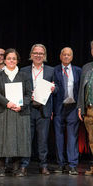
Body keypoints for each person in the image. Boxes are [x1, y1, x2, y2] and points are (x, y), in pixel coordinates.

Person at [0, 48, 32, 177]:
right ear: (5, 60)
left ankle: (16, 168)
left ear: (17, 60)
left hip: (19, 111)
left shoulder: (24, 75)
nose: (11, 61)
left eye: (14, 58)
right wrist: (7, 102)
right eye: (9, 58)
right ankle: (1, 168)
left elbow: (29, 93)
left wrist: (21, 104)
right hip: (2, 111)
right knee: (0, 139)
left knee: (18, 139)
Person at [20, 44, 55, 175]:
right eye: (35, 53)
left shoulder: (51, 71)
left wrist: (53, 88)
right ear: (31, 54)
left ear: (44, 55)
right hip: (28, 109)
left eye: (41, 53)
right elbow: (20, 89)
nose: (38, 55)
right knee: (26, 139)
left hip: (43, 110)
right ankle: (24, 165)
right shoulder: (23, 70)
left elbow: (57, 89)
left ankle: (43, 165)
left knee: (43, 140)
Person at [53, 47, 81, 175]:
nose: (66, 57)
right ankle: (60, 164)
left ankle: (73, 165)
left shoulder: (78, 71)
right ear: (60, 56)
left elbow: (81, 91)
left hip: (73, 108)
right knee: (59, 137)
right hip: (59, 108)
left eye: (68, 55)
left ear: (72, 57)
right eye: (64, 54)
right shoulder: (54, 70)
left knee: (72, 137)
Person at [77, 40, 93, 175]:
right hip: (89, 110)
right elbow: (82, 89)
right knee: (92, 140)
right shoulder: (86, 67)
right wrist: (80, 107)